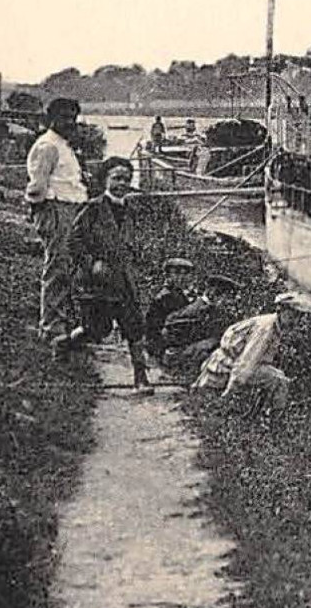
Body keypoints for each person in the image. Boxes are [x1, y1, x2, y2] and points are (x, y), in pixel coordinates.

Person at [52, 156, 154, 392]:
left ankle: (141, 377)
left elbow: (131, 242)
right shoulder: (93, 208)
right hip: (96, 283)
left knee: (134, 328)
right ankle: (64, 343)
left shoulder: (131, 210)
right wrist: (91, 263)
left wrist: (137, 260)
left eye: (127, 179)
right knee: (97, 329)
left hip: (124, 281)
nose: (122, 183)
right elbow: (74, 242)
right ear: (105, 180)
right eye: (116, 178)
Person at [25, 97, 89, 342]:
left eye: (73, 117)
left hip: (70, 210)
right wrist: (46, 215)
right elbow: (37, 186)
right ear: (51, 118)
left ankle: (64, 320)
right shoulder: (48, 146)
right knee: (57, 268)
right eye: (63, 117)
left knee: (67, 269)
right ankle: (51, 327)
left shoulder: (64, 144)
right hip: (56, 209)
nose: (69, 122)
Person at [193, 291, 311, 412]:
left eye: (298, 318)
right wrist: (229, 395)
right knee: (278, 380)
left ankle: (262, 411)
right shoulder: (265, 328)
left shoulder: (274, 326)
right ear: (281, 310)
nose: (294, 322)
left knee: (277, 376)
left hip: (231, 363)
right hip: (226, 366)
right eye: (291, 316)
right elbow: (245, 363)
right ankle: (272, 417)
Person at [160, 273, 240, 372]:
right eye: (227, 296)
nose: (229, 302)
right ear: (214, 294)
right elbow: (171, 335)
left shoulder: (208, 308)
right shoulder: (199, 310)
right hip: (184, 360)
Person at [143, 257, 196, 361]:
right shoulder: (164, 298)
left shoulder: (183, 295)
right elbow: (153, 330)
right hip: (165, 348)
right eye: (176, 273)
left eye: (185, 274)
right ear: (168, 276)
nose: (181, 278)